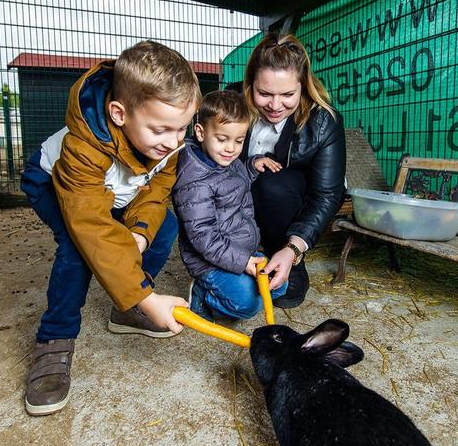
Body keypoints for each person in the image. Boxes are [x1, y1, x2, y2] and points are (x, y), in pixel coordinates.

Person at [19, 41, 201, 416]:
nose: (173, 142)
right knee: (78, 248)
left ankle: (126, 308)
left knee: (163, 226)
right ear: (120, 114)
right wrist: (150, 298)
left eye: (182, 129)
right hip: (55, 184)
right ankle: (54, 340)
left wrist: (137, 232)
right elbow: (91, 225)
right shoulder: (82, 149)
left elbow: (156, 191)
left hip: (120, 190)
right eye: (161, 130)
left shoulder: (169, 142)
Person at [240, 33, 346, 308]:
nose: (275, 106)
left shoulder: (324, 121)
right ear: (250, 85)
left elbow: (327, 195)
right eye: (264, 93)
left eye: (287, 94)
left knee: (273, 183)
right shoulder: (232, 104)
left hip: (287, 205)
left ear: (303, 87)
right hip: (236, 200)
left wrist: (293, 249)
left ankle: (288, 263)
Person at [172, 90, 288, 319]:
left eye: (239, 140)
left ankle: (236, 286)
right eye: (222, 139)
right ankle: (202, 296)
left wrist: (253, 165)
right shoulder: (195, 182)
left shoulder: (226, 161)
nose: (231, 149)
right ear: (200, 133)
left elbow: (235, 182)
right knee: (247, 305)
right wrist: (243, 262)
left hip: (240, 248)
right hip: (209, 262)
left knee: (280, 284)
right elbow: (203, 236)